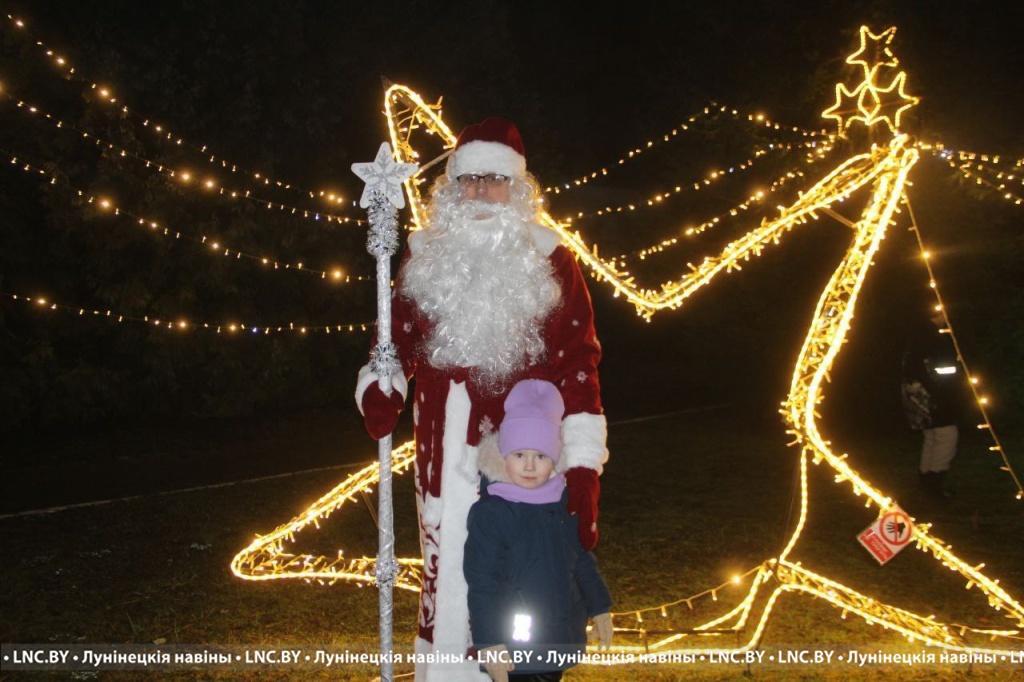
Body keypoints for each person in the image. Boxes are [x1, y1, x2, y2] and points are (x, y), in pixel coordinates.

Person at [356, 118, 608, 680]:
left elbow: (579, 364)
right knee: (444, 566)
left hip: (522, 458)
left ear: (518, 189)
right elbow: (395, 338)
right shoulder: (425, 256)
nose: (480, 192)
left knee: (519, 579)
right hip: (440, 451)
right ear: (451, 189)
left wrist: (582, 466)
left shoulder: (551, 258)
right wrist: (382, 383)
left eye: (495, 180)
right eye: (469, 181)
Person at [464, 379, 613, 682]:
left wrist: (599, 606)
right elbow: (483, 582)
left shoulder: (563, 503)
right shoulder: (492, 512)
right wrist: (489, 641)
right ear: (504, 455)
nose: (530, 466)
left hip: (558, 636)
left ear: (554, 458)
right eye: (520, 455)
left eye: (541, 456)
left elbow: (582, 561)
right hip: (514, 645)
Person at [901, 309, 964, 500]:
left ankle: (926, 479)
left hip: (920, 393)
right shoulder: (931, 337)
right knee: (946, 435)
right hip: (930, 394)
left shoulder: (920, 333)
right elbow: (936, 370)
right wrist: (940, 393)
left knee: (932, 436)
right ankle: (934, 482)